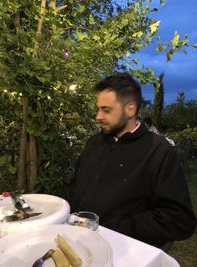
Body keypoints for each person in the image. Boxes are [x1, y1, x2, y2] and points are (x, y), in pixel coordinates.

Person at [68, 72, 196, 249]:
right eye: (98, 109)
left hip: (121, 249)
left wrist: (115, 228)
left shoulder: (159, 151)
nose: (98, 116)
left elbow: (179, 218)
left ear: (130, 109)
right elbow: (76, 186)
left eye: (106, 110)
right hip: (78, 239)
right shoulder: (94, 142)